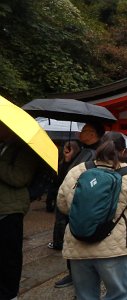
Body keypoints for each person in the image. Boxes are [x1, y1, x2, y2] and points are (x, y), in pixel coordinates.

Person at [57, 131, 127, 299]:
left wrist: (86, 216)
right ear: (122, 151)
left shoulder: (79, 170)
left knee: (85, 295)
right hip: (113, 247)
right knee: (119, 293)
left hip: (78, 242)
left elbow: (62, 203)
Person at [54, 122, 105, 288]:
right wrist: (67, 159)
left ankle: (78, 276)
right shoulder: (83, 150)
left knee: (78, 240)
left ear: (92, 134)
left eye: (84, 131)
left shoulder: (94, 153)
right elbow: (66, 176)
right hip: (71, 199)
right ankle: (75, 273)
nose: (80, 134)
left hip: (80, 202)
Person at [0, 123, 40, 300]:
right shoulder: (3, 146)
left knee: (9, 255)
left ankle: (9, 294)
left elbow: (19, 177)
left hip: (10, 208)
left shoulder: (24, 150)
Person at [48, 140, 81, 250]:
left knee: (65, 220)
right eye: (65, 147)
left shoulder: (79, 162)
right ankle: (58, 242)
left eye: (70, 148)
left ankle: (63, 241)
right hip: (61, 193)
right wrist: (66, 160)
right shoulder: (62, 161)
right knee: (60, 219)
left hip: (72, 194)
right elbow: (57, 178)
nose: (66, 150)